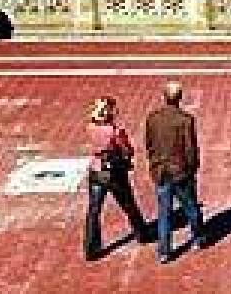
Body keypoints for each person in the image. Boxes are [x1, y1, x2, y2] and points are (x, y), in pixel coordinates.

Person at [145, 81, 205, 264]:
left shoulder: (152, 118)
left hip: (161, 171)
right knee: (190, 206)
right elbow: (190, 149)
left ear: (164, 96)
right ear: (179, 97)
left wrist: (154, 163)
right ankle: (198, 237)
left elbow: (149, 143)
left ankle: (164, 251)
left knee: (164, 213)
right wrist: (193, 167)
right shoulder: (185, 120)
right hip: (181, 172)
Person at [85, 97, 150, 261]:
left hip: (96, 170)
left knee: (94, 210)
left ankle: (91, 247)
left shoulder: (91, 127)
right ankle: (141, 234)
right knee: (129, 204)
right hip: (114, 173)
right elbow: (127, 149)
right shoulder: (115, 131)